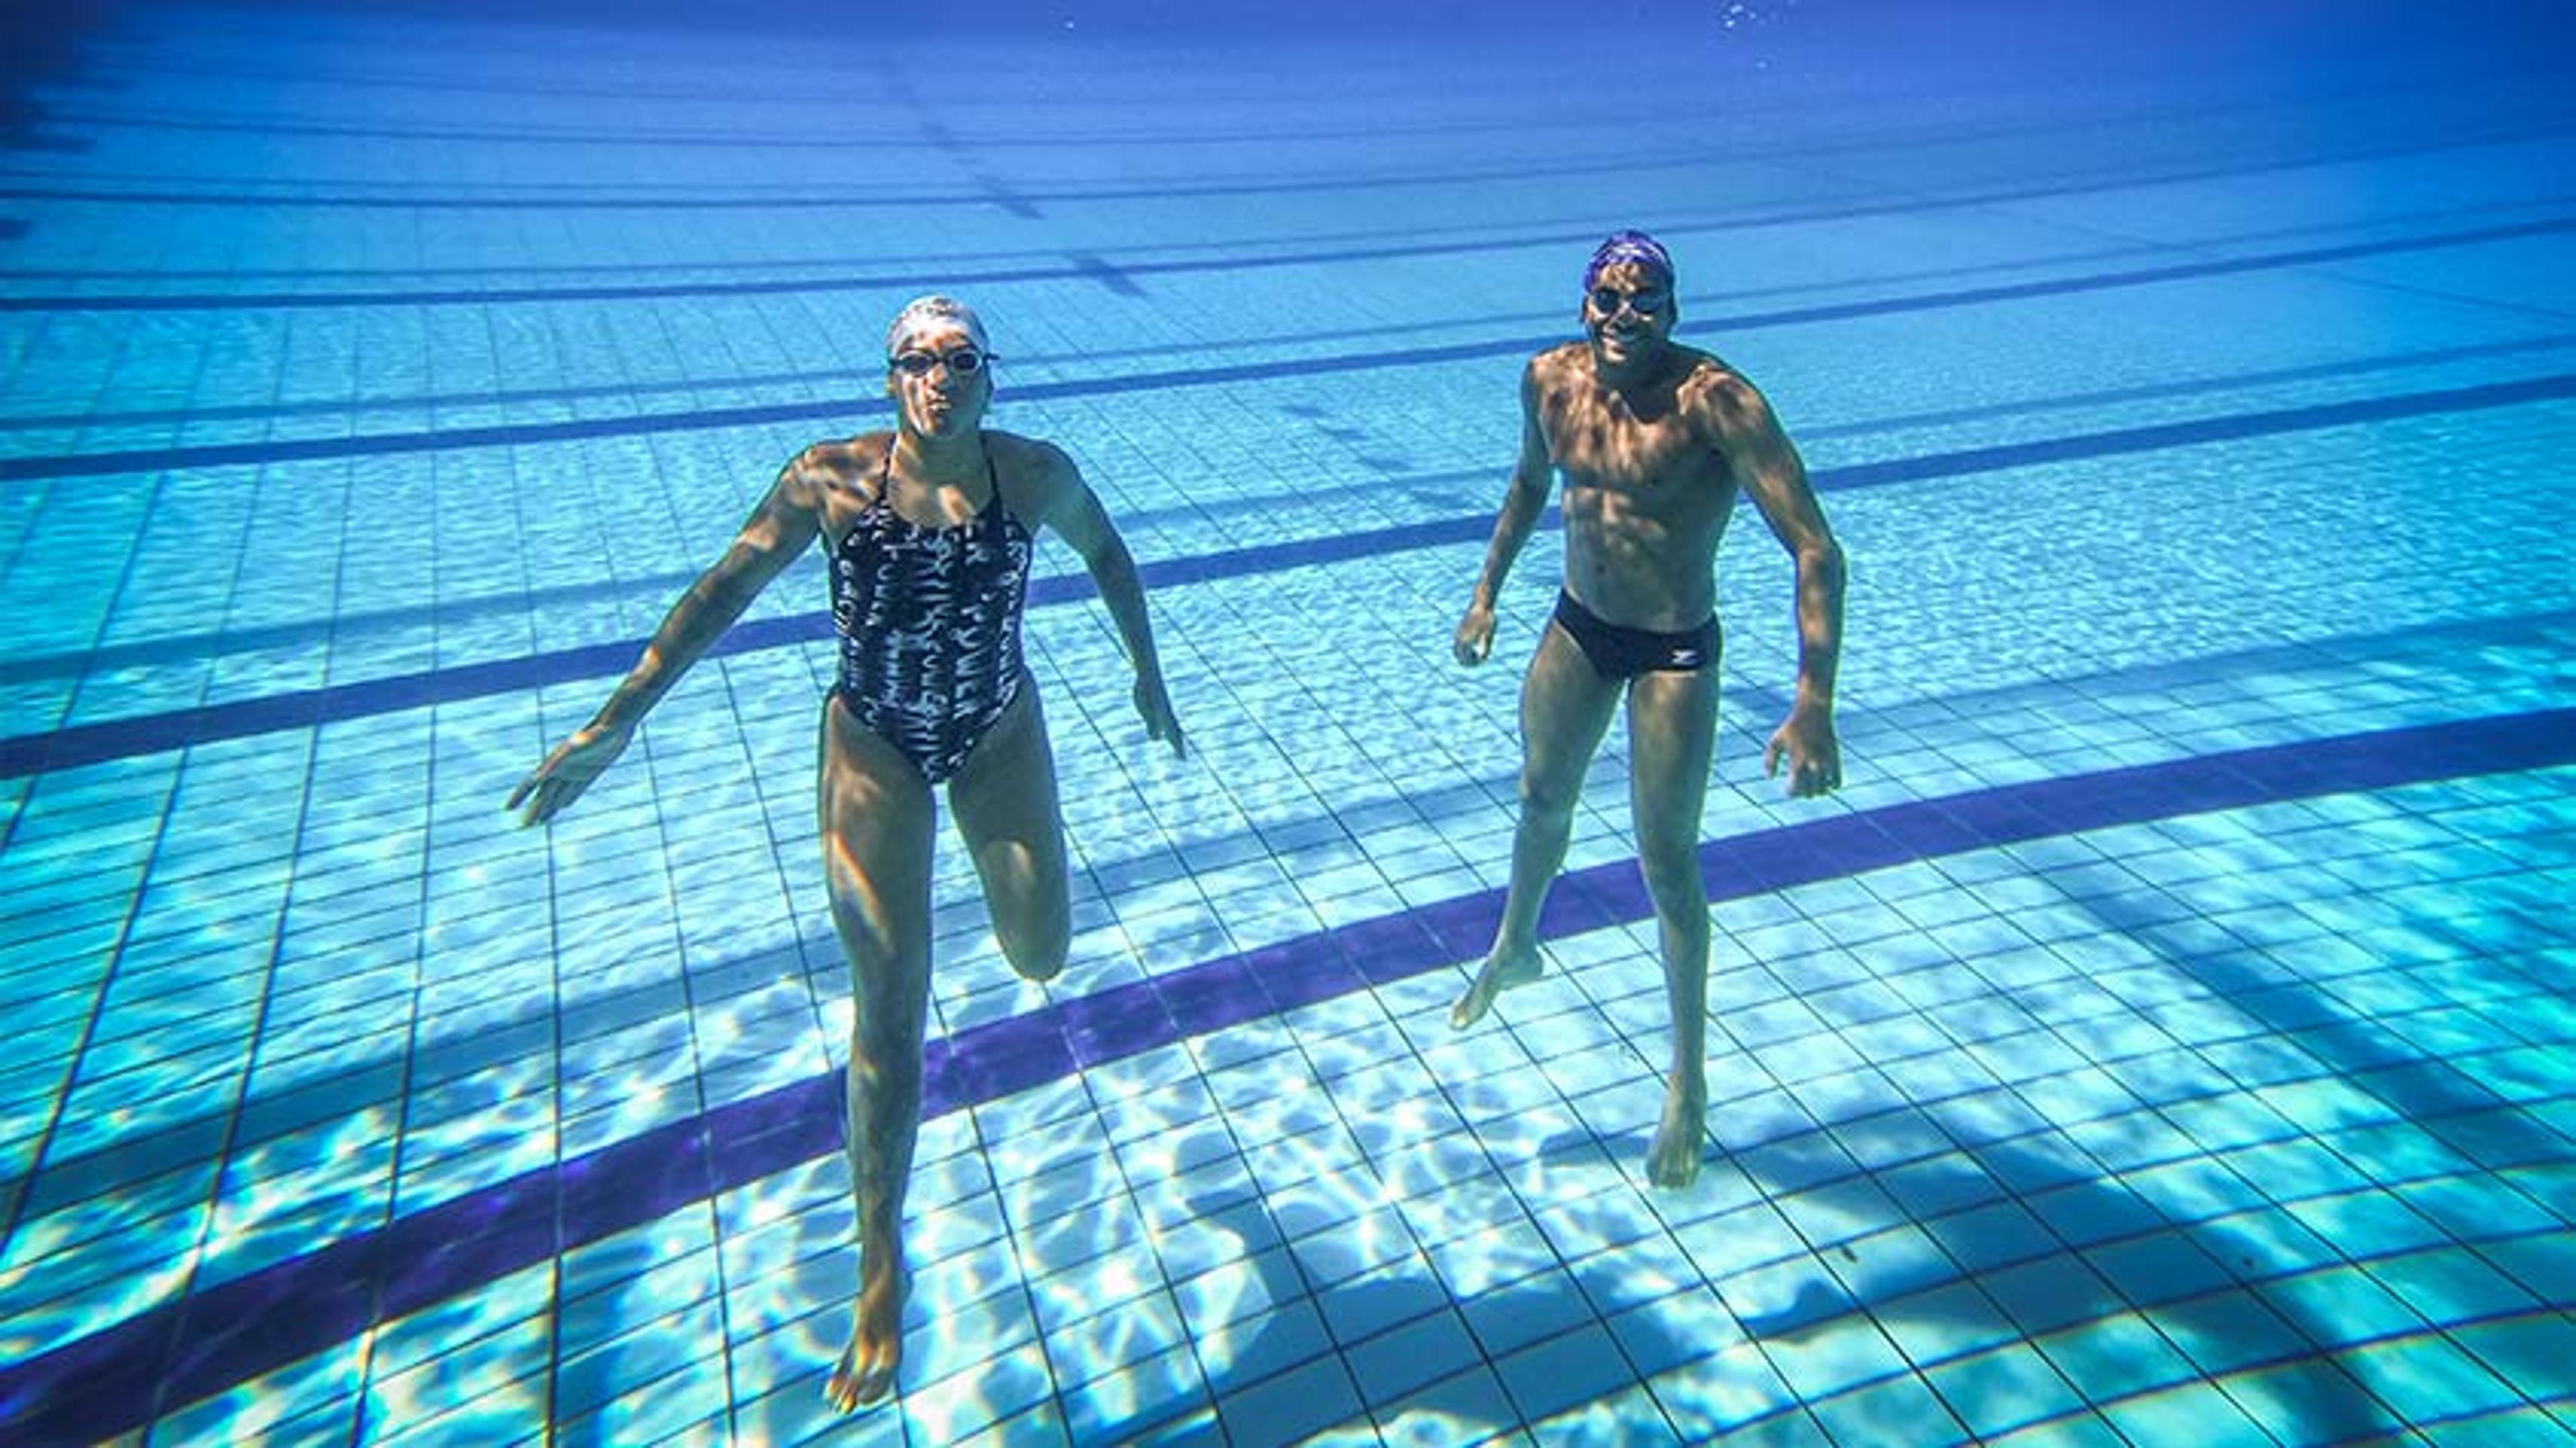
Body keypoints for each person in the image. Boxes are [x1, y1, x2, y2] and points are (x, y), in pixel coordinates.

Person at [506, 295, 1185, 1410]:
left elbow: (1111, 556)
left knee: (1041, 951)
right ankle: (881, 1272)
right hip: (872, 739)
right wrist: (620, 716)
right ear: (889, 382)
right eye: (916, 362)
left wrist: (1145, 673)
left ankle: (999, 917)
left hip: (997, 723)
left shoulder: (1033, 474)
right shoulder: (831, 480)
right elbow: (721, 591)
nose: (938, 378)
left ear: (988, 375)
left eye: (959, 359)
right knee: (890, 1004)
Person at [1449, 231, 1844, 1190]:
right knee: (1541, 797)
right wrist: (1486, 591)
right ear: (1584, 303)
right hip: (1580, 626)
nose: (1625, 316)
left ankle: (1689, 1081)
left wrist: (1813, 702)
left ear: (1674, 310)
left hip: (1673, 648)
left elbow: (1816, 549)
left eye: (1646, 300)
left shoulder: (1718, 403)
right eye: (1608, 298)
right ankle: (1516, 943)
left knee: (1667, 861)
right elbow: (1529, 487)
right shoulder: (1549, 380)